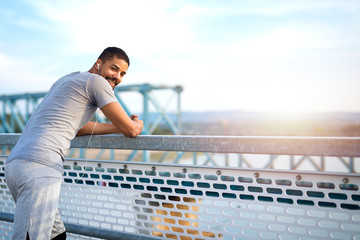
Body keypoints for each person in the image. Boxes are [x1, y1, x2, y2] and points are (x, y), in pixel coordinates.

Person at [5, 47, 143, 240]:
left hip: (15, 165)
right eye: (114, 68)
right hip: (40, 168)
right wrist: (135, 124)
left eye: (122, 74)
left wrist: (117, 126)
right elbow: (131, 130)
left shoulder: (67, 79)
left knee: (56, 234)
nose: (117, 77)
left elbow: (76, 128)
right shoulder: (96, 82)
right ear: (98, 63)